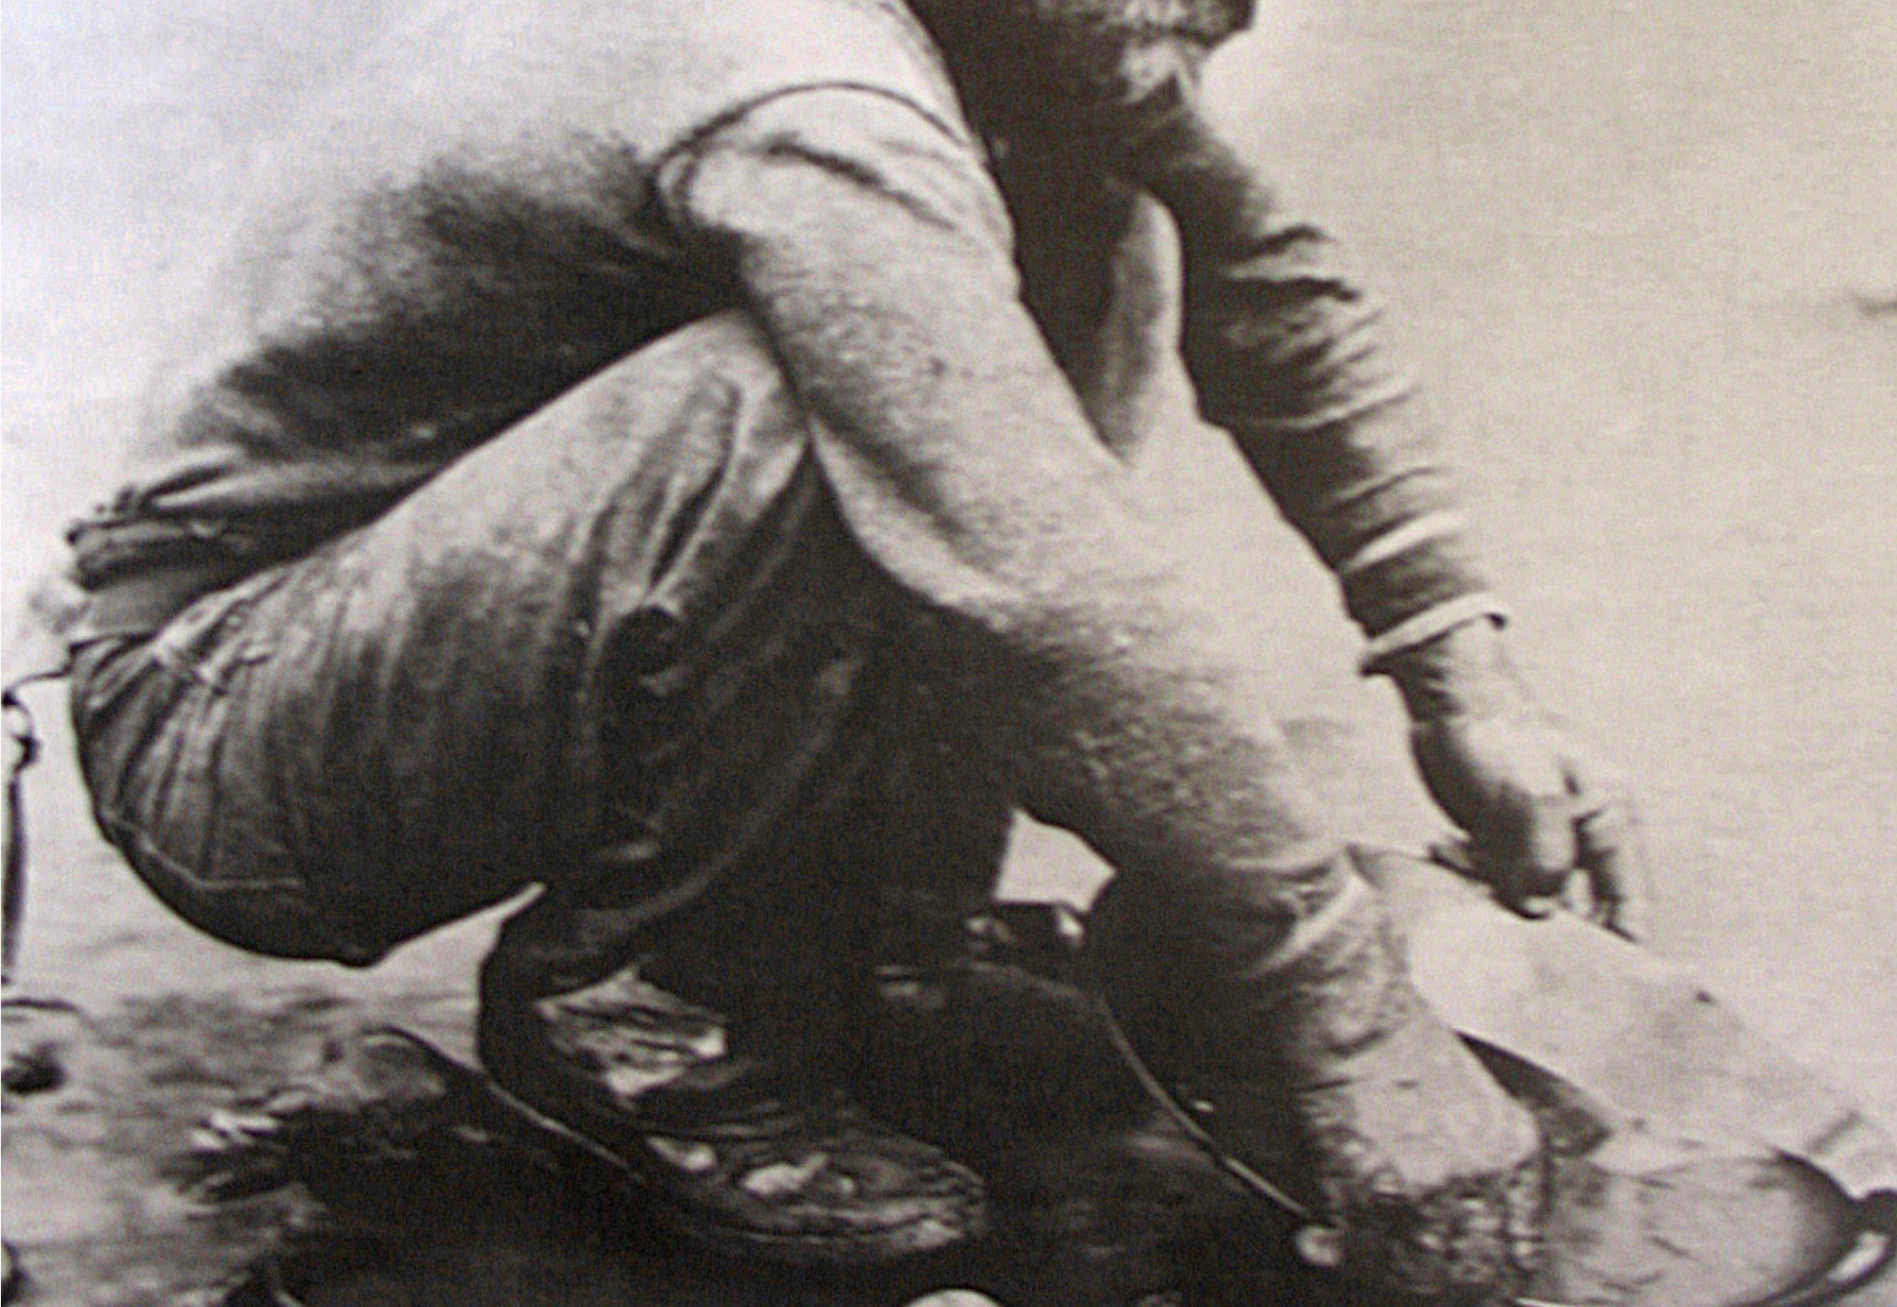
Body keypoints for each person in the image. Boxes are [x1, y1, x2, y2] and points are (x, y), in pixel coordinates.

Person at [58, 0, 1640, 1297]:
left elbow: (1276, 283)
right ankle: (644, 1016)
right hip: (234, 717)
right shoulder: (794, 77)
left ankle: (879, 954)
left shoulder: (1016, 30)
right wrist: (1346, 1008)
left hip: (445, 632)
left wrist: (1464, 676)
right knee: (827, 407)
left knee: (1084, 240)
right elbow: (1042, 575)